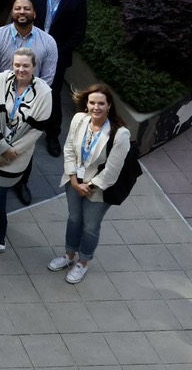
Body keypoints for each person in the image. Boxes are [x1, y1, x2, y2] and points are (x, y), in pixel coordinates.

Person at [48, 84, 133, 285]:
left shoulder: (120, 134)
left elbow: (112, 170)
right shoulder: (79, 120)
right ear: (86, 104)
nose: (96, 107)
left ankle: (83, 263)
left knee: (90, 226)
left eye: (101, 103)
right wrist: (74, 180)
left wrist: (88, 187)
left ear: (109, 105)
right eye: (92, 102)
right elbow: (69, 149)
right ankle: (69, 255)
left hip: (99, 189)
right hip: (75, 180)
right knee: (74, 218)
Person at [0, 49, 52, 252]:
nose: (21, 69)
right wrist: (2, 146)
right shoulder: (1, 80)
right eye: (17, 64)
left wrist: (9, 153)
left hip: (16, 155)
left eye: (26, 65)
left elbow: (36, 131)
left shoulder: (44, 93)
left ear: (34, 67)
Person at [27, 0, 88, 154]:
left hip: (57, 57)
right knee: (25, 89)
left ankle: (52, 135)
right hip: (30, 53)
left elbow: (79, 32)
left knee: (52, 96)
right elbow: (23, 17)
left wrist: (57, 54)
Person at [0, 0, 59, 91]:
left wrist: (29, 96)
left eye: (27, 9)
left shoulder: (48, 42)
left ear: (34, 14)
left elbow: (47, 77)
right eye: (17, 8)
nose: (22, 12)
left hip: (32, 100)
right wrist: (4, 92)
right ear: (12, 13)